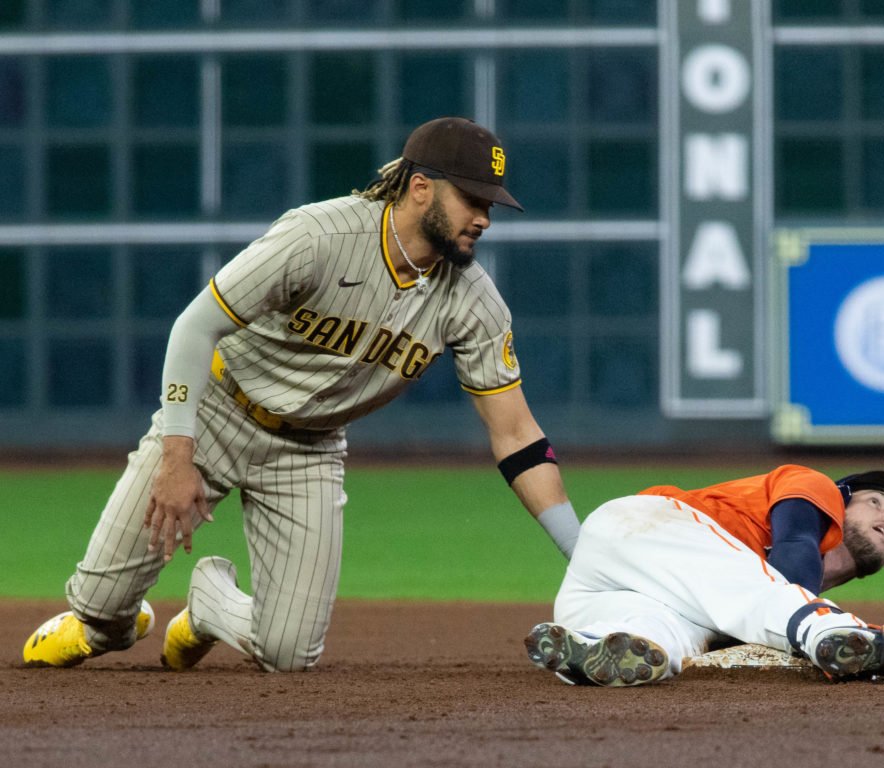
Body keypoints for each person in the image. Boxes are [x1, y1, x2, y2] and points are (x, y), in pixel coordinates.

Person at [24, 116, 581, 672]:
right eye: (473, 200)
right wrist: (176, 455)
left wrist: (581, 552)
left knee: (289, 653)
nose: (484, 218)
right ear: (420, 188)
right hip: (218, 412)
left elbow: (516, 433)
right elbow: (194, 326)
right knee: (98, 617)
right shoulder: (320, 236)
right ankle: (108, 621)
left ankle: (209, 606)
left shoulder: (473, 302)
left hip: (308, 451)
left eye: (491, 205)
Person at [524, 464, 884, 686]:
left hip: (603, 591)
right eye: (876, 502)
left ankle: (596, 647)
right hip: (646, 527)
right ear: (843, 498)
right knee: (773, 603)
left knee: (667, 637)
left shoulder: (745, 588)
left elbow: (762, 591)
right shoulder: (815, 486)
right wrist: (811, 624)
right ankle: (847, 635)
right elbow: (794, 550)